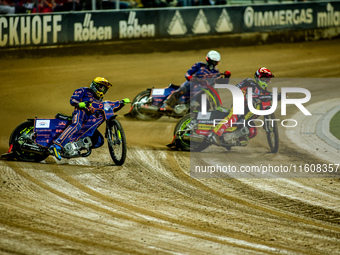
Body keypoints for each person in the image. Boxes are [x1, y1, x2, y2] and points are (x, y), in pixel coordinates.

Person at [207, 67, 275, 146]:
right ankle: (214, 135)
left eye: (267, 79)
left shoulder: (262, 90)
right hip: (239, 104)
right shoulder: (249, 81)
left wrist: (279, 95)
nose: (265, 81)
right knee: (233, 117)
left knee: (252, 131)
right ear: (257, 77)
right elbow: (236, 87)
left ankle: (232, 139)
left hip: (247, 110)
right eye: (263, 79)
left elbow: (268, 95)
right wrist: (244, 94)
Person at [49, 77, 113, 160]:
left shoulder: (99, 100)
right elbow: (72, 100)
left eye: (104, 88)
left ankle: (74, 147)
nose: (102, 90)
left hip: (89, 118)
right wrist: (81, 104)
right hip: (80, 113)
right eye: (101, 87)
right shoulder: (83, 90)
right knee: (77, 125)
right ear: (95, 86)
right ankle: (56, 145)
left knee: (99, 140)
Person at [162, 50, 230, 111]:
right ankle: (166, 104)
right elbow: (188, 73)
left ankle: (213, 109)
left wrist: (227, 76)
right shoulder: (199, 65)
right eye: (212, 61)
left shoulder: (216, 72)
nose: (213, 64)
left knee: (207, 105)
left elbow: (223, 83)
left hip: (202, 90)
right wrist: (190, 78)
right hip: (191, 84)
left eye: (215, 62)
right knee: (182, 90)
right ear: (207, 59)